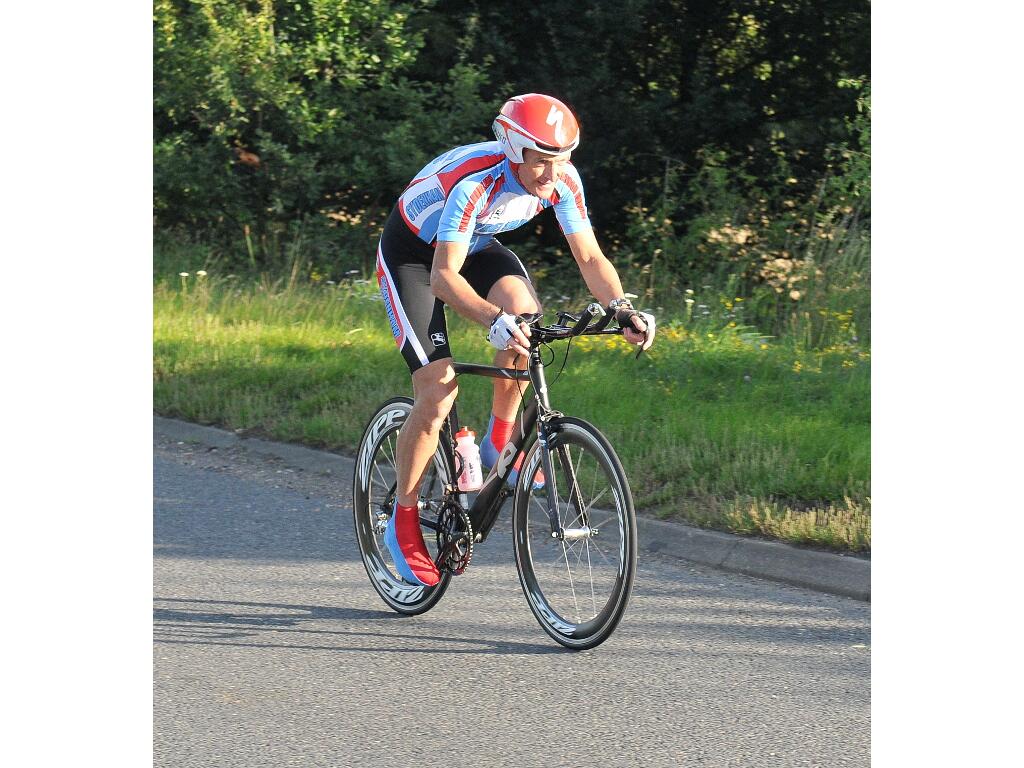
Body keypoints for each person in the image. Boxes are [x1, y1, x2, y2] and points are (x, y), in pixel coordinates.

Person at [375, 93, 655, 587]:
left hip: (475, 246)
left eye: (561, 160)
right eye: (541, 161)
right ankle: (404, 520)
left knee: (527, 320)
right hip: (414, 259)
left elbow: (590, 257)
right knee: (438, 391)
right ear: (512, 148)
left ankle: (499, 441)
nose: (552, 174)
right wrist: (491, 319)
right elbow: (443, 278)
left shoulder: (563, 179)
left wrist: (622, 308)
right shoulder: (474, 183)